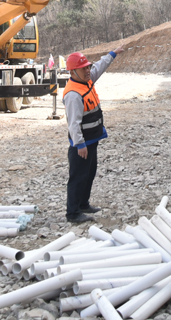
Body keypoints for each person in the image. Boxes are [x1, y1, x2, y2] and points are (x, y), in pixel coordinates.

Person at [62, 47, 124, 223]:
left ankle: (83, 204)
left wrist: (112, 54)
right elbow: (73, 124)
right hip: (82, 144)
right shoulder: (73, 94)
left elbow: (99, 67)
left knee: (89, 173)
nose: (88, 70)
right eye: (83, 68)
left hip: (92, 139)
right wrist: (80, 144)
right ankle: (73, 213)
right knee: (78, 176)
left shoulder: (86, 80)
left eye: (87, 67)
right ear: (73, 72)